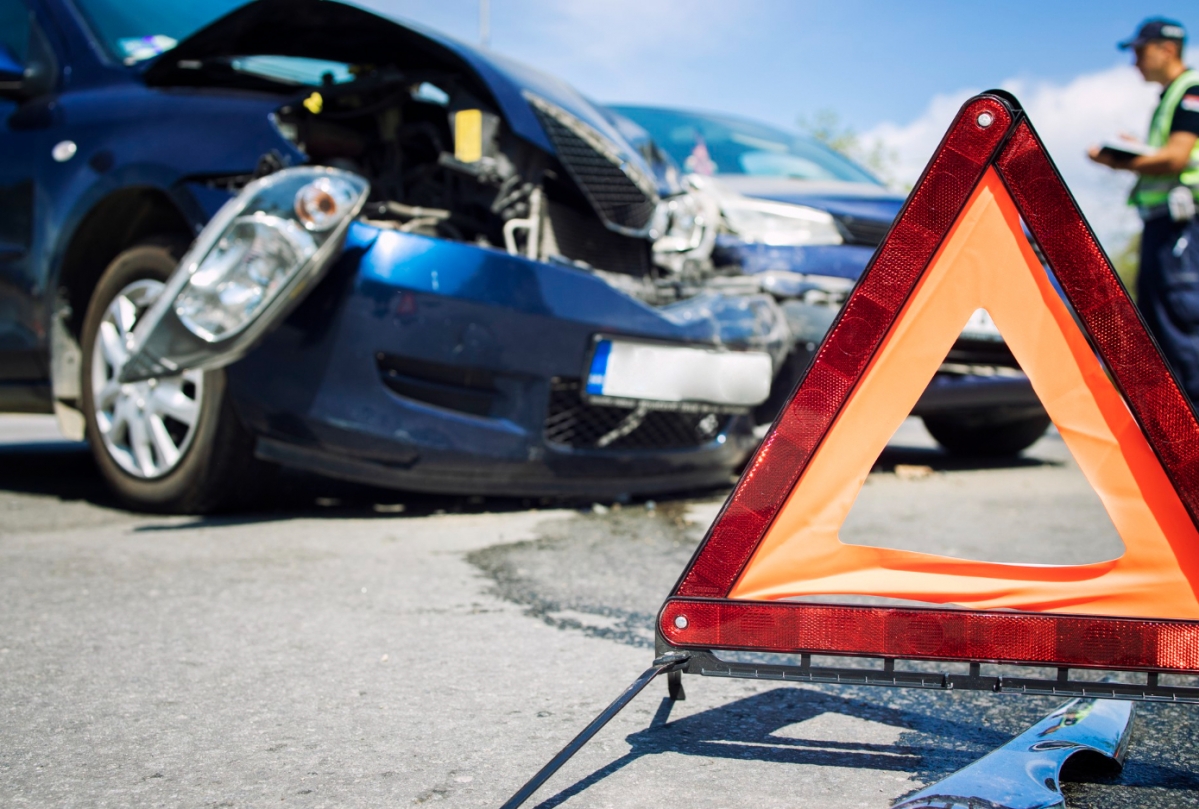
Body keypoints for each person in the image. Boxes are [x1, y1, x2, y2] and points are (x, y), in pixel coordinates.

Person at [1088, 18, 1199, 400]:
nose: (1134, 62)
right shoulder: (1171, 96)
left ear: (1166, 49)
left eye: (1139, 51)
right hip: (1165, 226)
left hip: (1182, 228)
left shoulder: (1190, 91)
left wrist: (1118, 161)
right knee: (1160, 326)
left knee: (1181, 326)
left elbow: (1176, 158)